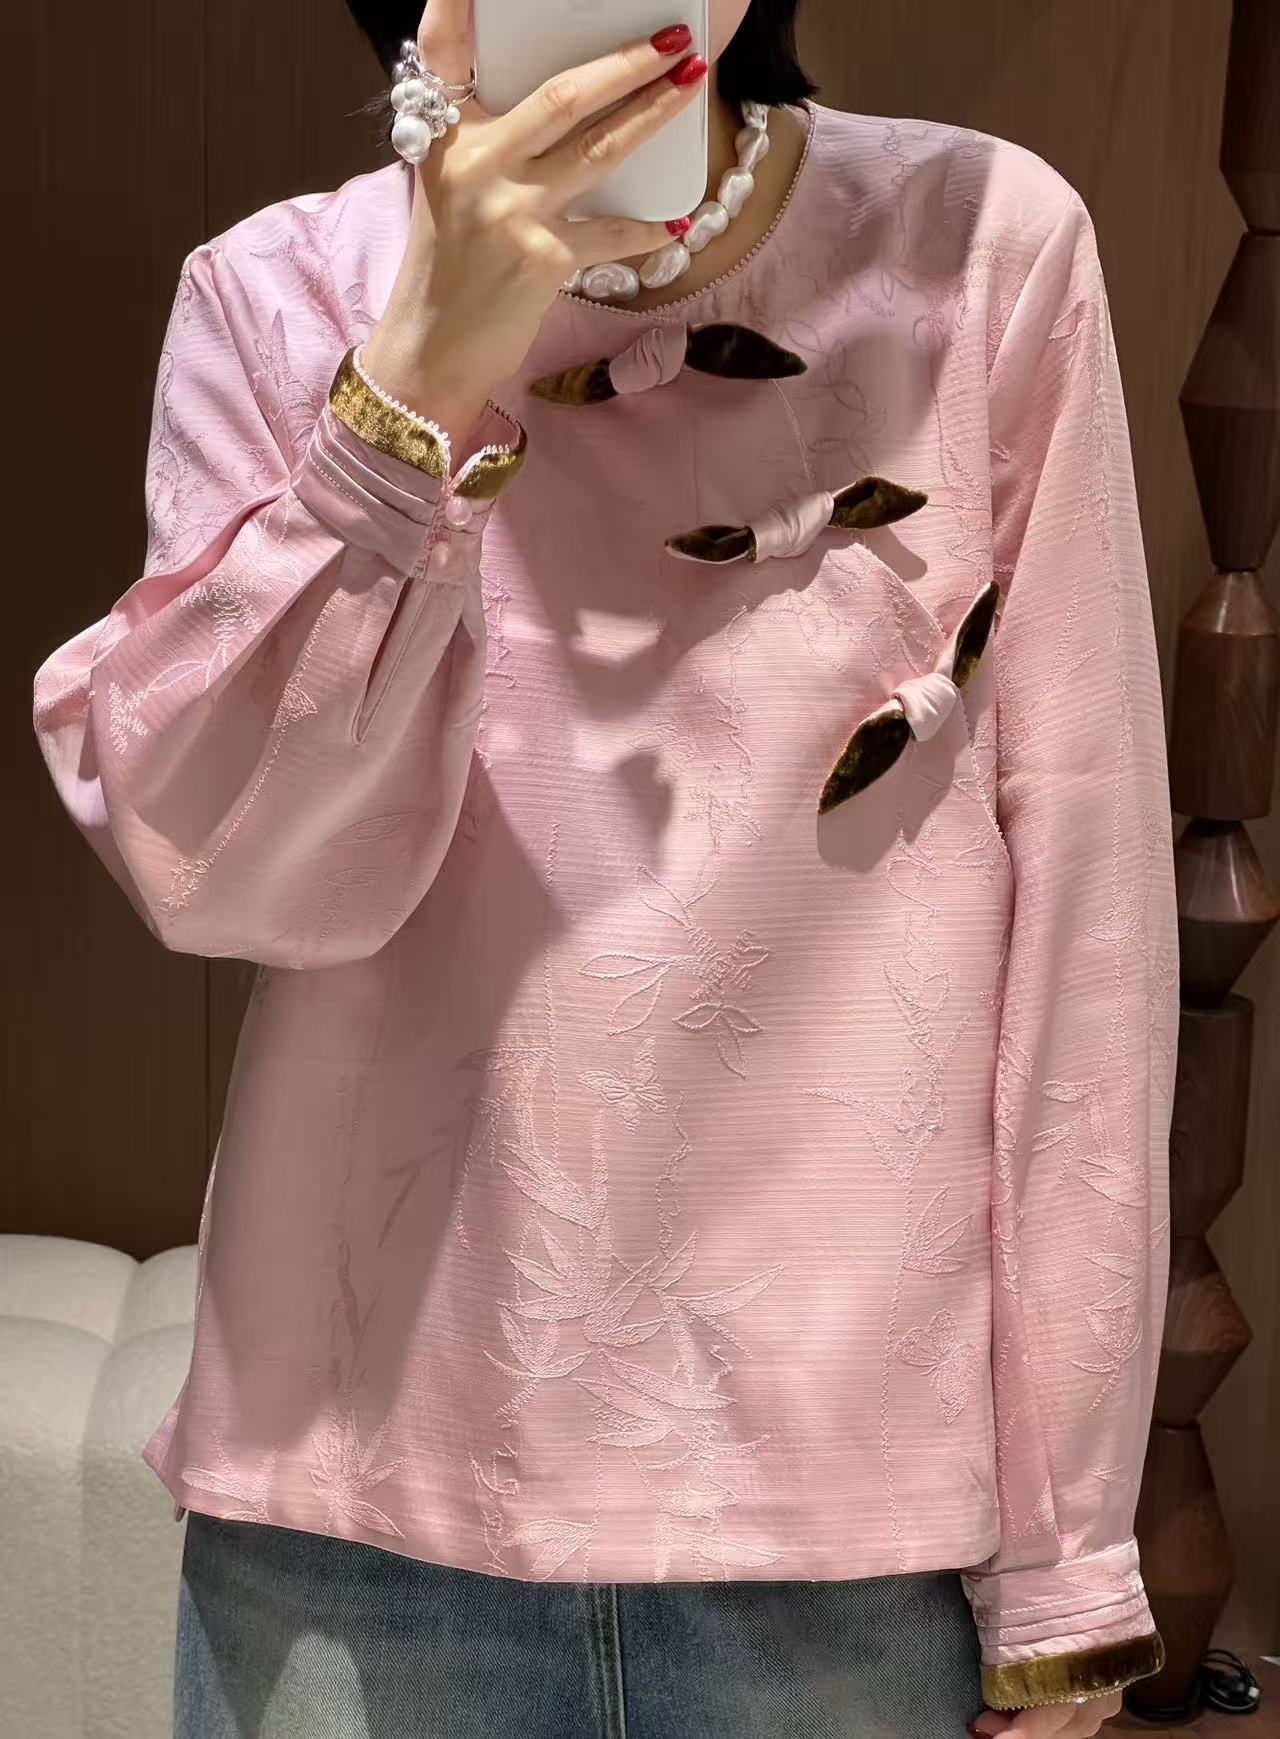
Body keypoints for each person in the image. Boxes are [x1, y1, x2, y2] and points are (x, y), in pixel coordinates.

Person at [32, 0, 1179, 1733]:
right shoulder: (279, 292)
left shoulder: (973, 248)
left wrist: (1071, 1545)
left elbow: (1088, 891)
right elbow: (230, 876)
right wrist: (412, 388)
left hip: (844, 1521)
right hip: (356, 1500)